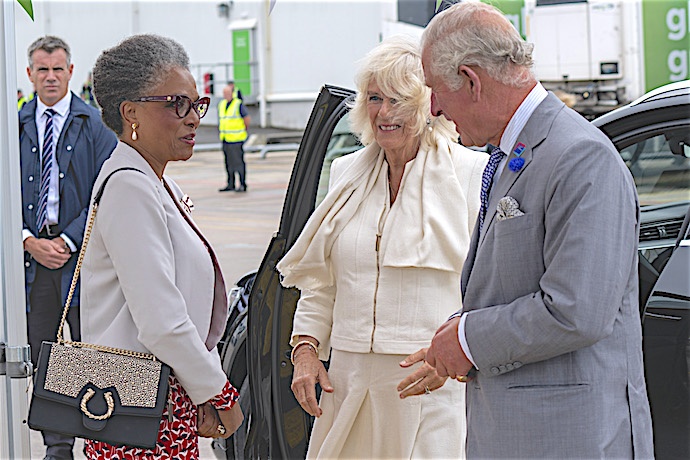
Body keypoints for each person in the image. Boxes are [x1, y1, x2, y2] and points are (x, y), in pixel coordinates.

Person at [416, 2, 654, 458]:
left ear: (471, 80)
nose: (433, 108)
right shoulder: (516, 153)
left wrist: (468, 339)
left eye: (435, 90)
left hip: (568, 439)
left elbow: (576, 310)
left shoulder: (581, 157)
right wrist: (458, 332)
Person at [276, 35, 488, 459]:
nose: (385, 112)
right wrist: (305, 349)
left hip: (429, 384)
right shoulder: (345, 172)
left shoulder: (471, 173)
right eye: (375, 98)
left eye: (399, 99)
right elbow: (323, 280)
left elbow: (489, 284)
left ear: (429, 104)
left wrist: (459, 353)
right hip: (348, 382)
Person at [82, 33, 242, 459]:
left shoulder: (153, 181)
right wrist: (218, 392)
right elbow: (161, 320)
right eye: (177, 105)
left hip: (159, 400)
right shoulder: (130, 187)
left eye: (196, 104)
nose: (193, 118)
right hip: (140, 406)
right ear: (131, 112)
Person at [19, 35, 117, 460]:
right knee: (45, 353)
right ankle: (58, 446)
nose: (51, 77)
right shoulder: (14, 123)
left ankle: (100, 436)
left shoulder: (94, 124)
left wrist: (66, 239)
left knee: (89, 352)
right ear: (30, 74)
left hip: (82, 260)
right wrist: (28, 241)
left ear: (71, 72)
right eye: (42, 69)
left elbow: (106, 191)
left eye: (58, 69)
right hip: (33, 261)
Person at [218, 81, 250, 192]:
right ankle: (230, 183)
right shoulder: (222, 104)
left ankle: (242, 184)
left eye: (227, 93)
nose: (225, 95)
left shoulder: (238, 104)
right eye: (224, 93)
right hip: (225, 139)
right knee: (228, 163)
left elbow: (246, 119)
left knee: (238, 163)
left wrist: (244, 130)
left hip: (236, 139)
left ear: (232, 93)